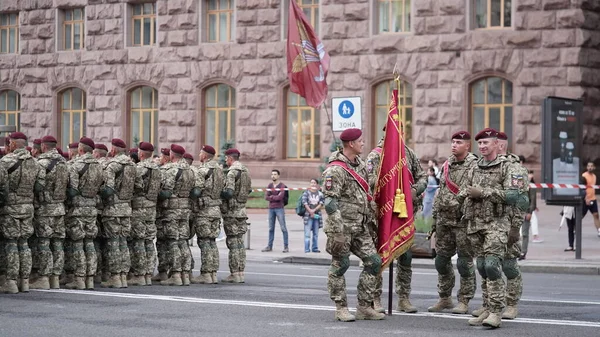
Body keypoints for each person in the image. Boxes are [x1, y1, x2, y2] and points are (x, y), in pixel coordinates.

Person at [463, 128, 529, 328]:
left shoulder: (511, 167)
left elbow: (517, 198)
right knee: (483, 267)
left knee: (497, 265)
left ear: (497, 145)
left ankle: (500, 308)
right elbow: (468, 191)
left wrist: (515, 228)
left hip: (500, 223)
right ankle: (488, 307)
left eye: (486, 143)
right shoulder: (475, 166)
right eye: (480, 143)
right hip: (477, 224)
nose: (482, 146)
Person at [322, 128, 385, 322]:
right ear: (351, 144)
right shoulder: (336, 169)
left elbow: (368, 188)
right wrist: (337, 231)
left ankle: (364, 306)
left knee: (374, 262)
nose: (363, 143)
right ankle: (341, 307)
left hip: (360, 226)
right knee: (340, 265)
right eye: (360, 141)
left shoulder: (360, 164)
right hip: (342, 228)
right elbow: (330, 203)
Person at [428, 131, 477, 315]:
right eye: (453, 142)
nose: (454, 145)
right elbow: (440, 191)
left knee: (464, 262)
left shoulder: (475, 165)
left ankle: (464, 300)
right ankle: (444, 297)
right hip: (444, 220)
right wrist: (434, 217)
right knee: (441, 261)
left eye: (458, 142)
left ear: (467, 145)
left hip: (462, 221)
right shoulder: (447, 164)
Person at [0, 132, 44, 294]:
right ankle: (24, 281)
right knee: (24, 244)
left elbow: (2, 188)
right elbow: (39, 187)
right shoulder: (36, 163)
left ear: (12, 144)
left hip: (10, 208)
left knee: (11, 244)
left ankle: (11, 281)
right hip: (28, 208)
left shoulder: (6, 162)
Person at [62, 137, 104, 290]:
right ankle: (90, 278)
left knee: (78, 245)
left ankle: (79, 279)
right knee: (90, 244)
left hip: (78, 209)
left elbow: (72, 190)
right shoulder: (99, 166)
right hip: (92, 209)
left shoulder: (76, 165)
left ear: (80, 150)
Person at [29, 136, 69, 290]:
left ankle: (44, 277)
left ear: (43, 147)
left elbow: (37, 187)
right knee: (58, 244)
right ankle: (55, 278)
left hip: (45, 208)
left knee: (44, 243)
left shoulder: (41, 163)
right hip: (59, 208)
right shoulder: (64, 163)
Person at [99, 138, 136, 288]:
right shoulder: (132, 165)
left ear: (113, 150)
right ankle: (123, 276)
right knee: (123, 243)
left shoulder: (113, 166)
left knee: (114, 243)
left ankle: (115, 277)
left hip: (113, 209)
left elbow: (108, 189)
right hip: (126, 209)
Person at [155, 144, 193, 286]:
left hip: (171, 210)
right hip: (185, 210)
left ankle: (176, 274)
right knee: (183, 242)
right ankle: (185, 274)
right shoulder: (189, 170)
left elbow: (166, 192)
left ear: (172, 155)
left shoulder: (170, 169)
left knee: (172, 241)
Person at [191, 145, 224, 284]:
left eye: (200, 153)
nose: (199, 155)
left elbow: (197, 191)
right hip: (216, 210)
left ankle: (205, 273)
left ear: (204, 156)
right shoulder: (220, 170)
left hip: (204, 211)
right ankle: (213, 273)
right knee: (212, 242)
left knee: (204, 242)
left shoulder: (203, 170)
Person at [130, 142, 161, 286]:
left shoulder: (139, 168)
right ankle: (149, 273)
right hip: (151, 209)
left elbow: (134, 187)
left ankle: (140, 274)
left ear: (141, 154)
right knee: (149, 242)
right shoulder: (157, 168)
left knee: (139, 241)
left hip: (139, 208)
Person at [220, 148, 251, 283]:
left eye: (226, 158)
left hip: (232, 212)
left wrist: (220, 192)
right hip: (242, 211)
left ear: (230, 158)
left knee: (232, 243)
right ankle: (240, 272)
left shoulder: (232, 172)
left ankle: (234, 273)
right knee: (240, 243)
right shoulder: (245, 171)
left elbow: (229, 192)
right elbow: (248, 189)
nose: (226, 161)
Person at [262, 169, 289, 253]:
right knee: (270, 228)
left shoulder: (282, 186)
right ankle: (269, 246)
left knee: (283, 227)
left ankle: (286, 246)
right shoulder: (270, 185)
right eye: (272, 174)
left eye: (275, 174)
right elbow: (266, 197)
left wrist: (272, 197)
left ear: (278, 176)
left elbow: (280, 197)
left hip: (279, 208)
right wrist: (275, 197)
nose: (273, 176)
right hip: (271, 209)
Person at [520, 169, 539, 260]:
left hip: (526, 212)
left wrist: (530, 212)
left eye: (531, 174)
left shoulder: (532, 186)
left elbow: (533, 200)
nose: (530, 176)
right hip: (517, 212)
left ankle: (523, 252)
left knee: (524, 233)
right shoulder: (519, 184)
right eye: (528, 174)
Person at [301, 178, 324, 253]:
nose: (313, 184)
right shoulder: (306, 193)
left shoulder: (320, 194)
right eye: (311, 183)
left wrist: (313, 211)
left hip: (317, 215)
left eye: (314, 183)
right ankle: (307, 249)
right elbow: (304, 203)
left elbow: (321, 203)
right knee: (307, 234)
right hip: (308, 216)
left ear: (317, 185)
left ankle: (315, 248)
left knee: (315, 233)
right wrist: (310, 211)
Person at [581, 161, 600, 237]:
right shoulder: (584, 176)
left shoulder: (594, 176)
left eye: (591, 166)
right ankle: (574, 228)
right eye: (588, 166)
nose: (590, 167)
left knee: (596, 215)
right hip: (586, 199)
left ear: (594, 167)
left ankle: (599, 230)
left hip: (593, 199)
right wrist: (586, 198)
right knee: (581, 216)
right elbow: (582, 188)